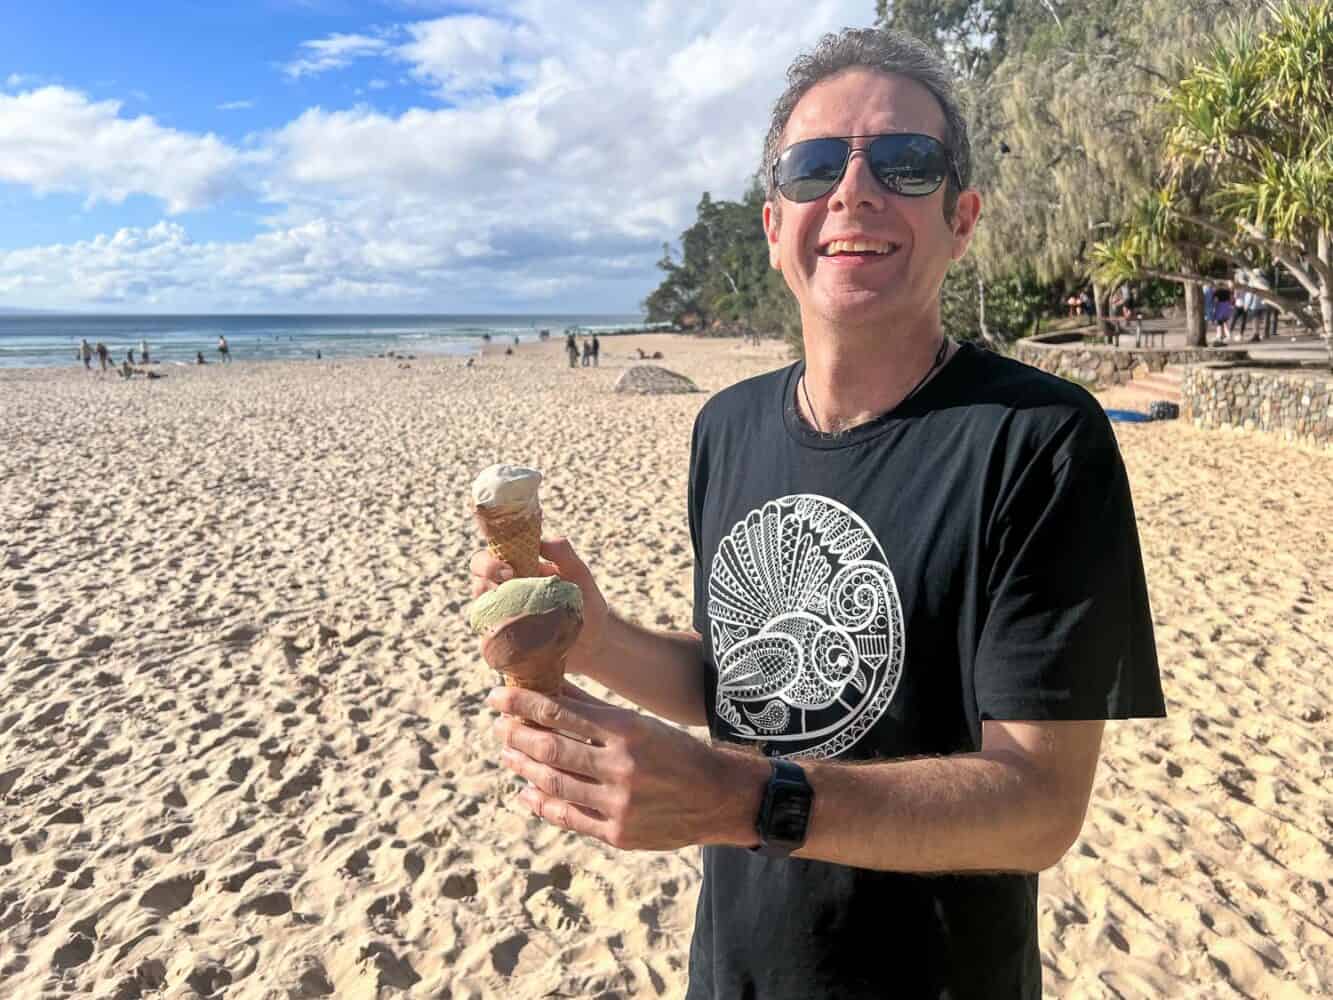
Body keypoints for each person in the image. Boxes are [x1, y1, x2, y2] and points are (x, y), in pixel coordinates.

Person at [473, 28, 1163, 1000]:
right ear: (773, 222)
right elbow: (750, 684)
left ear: (959, 217)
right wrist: (595, 636)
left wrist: (736, 796)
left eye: (903, 162)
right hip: (737, 970)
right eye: (813, 166)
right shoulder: (727, 426)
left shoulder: (1038, 440)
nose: (852, 189)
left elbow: (1038, 807)